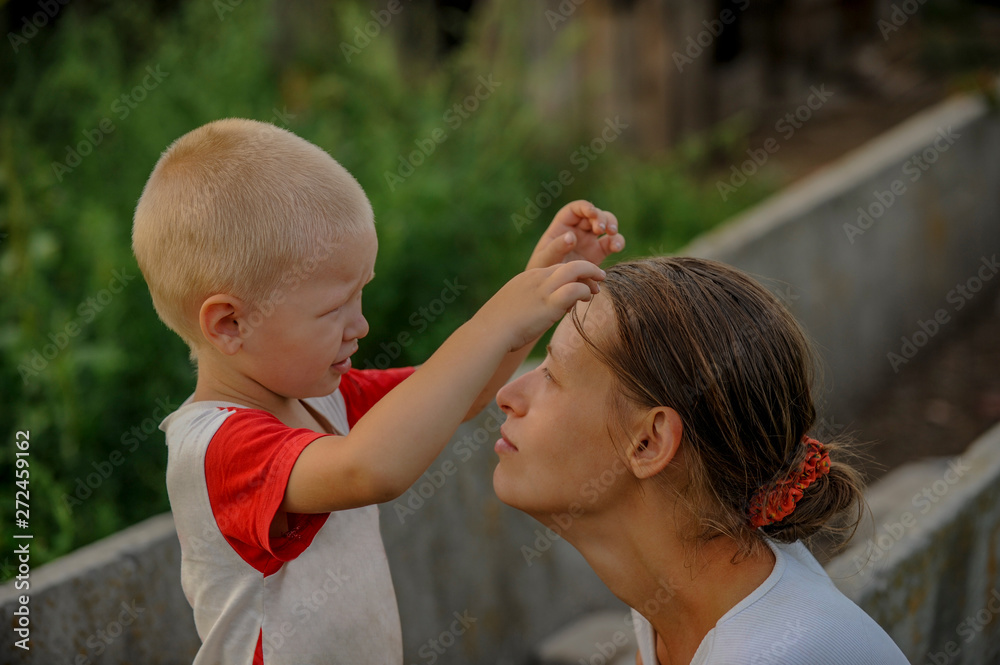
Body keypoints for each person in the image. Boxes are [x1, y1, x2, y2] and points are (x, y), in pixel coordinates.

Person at [131, 117, 624, 665]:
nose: (360, 325)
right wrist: (495, 320)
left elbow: (459, 394)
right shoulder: (215, 448)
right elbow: (368, 471)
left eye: (360, 294)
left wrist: (536, 290)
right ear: (229, 324)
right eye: (332, 309)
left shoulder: (322, 397)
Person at [493, 256, 909, 665]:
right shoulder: (689, 592)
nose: (506, 396)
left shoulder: (767, 652)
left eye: (552, 375)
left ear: (648, 443)